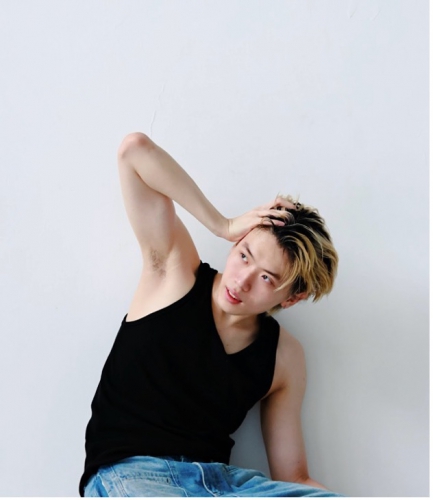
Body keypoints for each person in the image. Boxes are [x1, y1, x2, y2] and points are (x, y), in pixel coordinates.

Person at [79, 132, 341, 497]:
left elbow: (292, 477)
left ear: (292, 298)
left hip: (226, 484)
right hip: (134, 475)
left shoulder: (284, 356)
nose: (242, 280)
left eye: (266, 278)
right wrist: (223, 224)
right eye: (244, 255)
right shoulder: (173, 274)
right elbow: (134, 152)